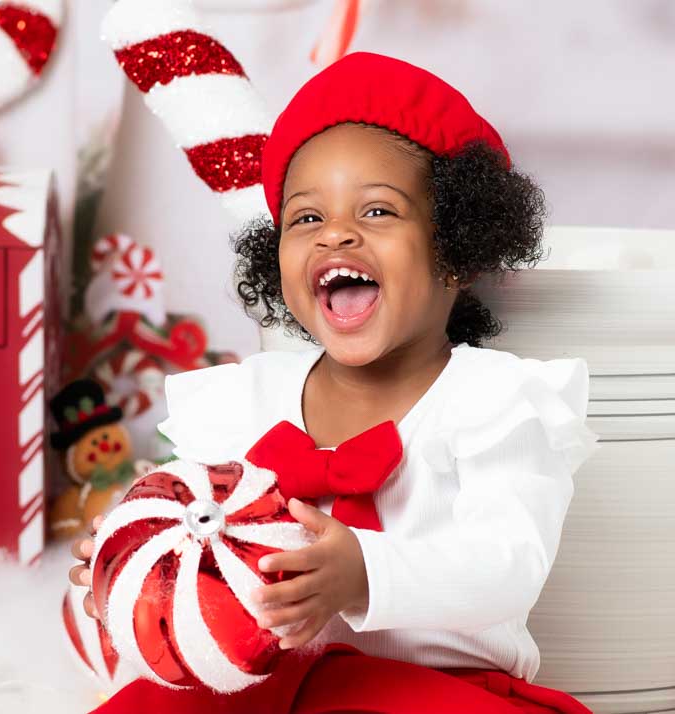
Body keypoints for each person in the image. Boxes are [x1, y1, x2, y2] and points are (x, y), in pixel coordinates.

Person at [69, 52, 599, 714]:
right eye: (306, 218)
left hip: (430, 693)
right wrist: (134, 564)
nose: (336, 234)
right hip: (260, 684)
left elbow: (508, 566)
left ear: (458, 251)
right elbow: (188, 520)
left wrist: (363, 574)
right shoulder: (243, 397)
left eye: (377, 211)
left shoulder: (493, 400)